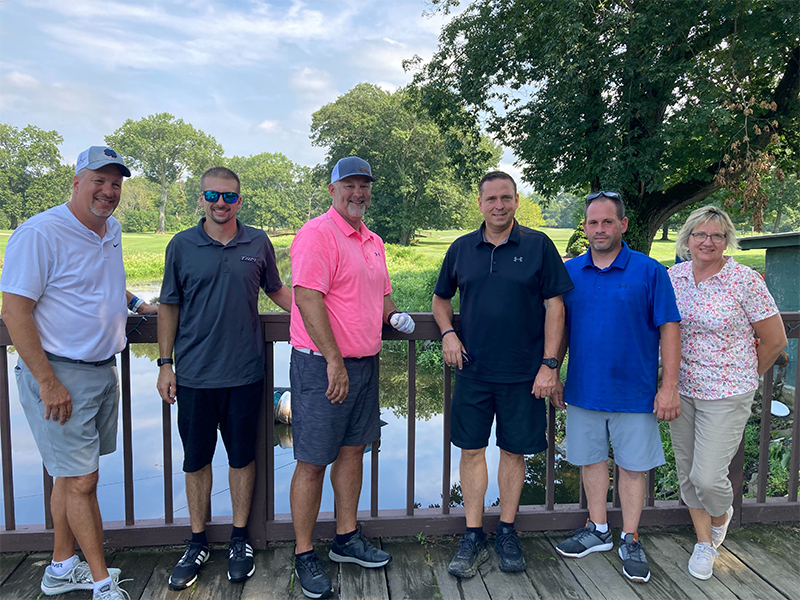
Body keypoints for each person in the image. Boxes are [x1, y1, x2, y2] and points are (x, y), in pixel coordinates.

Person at [1, 146, 156, 600]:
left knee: (70, 477)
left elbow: (102, 282)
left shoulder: (111, 229)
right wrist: (48, 382)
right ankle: (101, 581)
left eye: (116, 184)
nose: (109, 192)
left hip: (101, 370)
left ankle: (59, 568)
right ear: (75, 181)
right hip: (60, 375)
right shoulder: (40, 233)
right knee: (84, 481)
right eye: (99, 181)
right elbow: (14, 312)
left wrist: (134, 305)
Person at [156, 166, 292, 590]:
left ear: (239, 200)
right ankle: (197, 542)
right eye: (213, 195)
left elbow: (277, 291)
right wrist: (164, 362)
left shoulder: (257, 242)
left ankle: (239, 539)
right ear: (201, 198)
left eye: (229, 197)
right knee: (195, 462)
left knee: (241, 459)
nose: (220, 203)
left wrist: (321, 317)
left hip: (246, 373)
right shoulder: (181, 245)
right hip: (194, 376)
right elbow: (168, 305)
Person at [432, 171, 573, 578]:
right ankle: (473, 533)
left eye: (506, 198)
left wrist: (550, 365)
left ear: (516, 200)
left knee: (514, 451)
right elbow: (441, 300)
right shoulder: (462, 248)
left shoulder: (538, 245)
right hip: (473, 370)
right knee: (471, 450)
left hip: (524, 374)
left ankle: (507, 530)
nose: (499, 205)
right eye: (491, 198)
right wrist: (447, 334)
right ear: (479, 204)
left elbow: (555, 307)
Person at [288, 156, 415, 599]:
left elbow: (381, 294)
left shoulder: (373, 240)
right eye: (349, 185)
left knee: (352, 453)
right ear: (332, 189)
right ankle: (304, 553)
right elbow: (306, 299)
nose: (357, 193)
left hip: (364, 365)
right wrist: (333, 360)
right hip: (324, 366)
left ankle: (346, 538)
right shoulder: (317, 234)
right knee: (312, 461)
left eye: (364, 186)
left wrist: (393, 316)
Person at [554, 191, 682, 584]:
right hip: (583, 390)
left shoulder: (649, 271)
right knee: (591, 462)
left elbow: (669, 329)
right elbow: (558, 327)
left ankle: (630, 536)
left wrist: (670, 386)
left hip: (636, 393)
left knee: (632, 467)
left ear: (623, 225)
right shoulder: (570, 272)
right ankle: (597, 530)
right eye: (593, 223)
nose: (599, 229)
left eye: (607, 222)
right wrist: (553, 371)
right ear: (585, 227)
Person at [668, 206, 787, 580]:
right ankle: (705, 542)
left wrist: (745, 376)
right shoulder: (674, 277)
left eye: (716, 236)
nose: (708, 242)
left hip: (727, 391)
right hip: (682, 389)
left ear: (726, 241)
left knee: (708, 477)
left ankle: (721, 516)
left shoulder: (744, 280)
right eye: (700, 235)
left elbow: (775, 340)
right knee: (687, 475)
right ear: (688, 239)